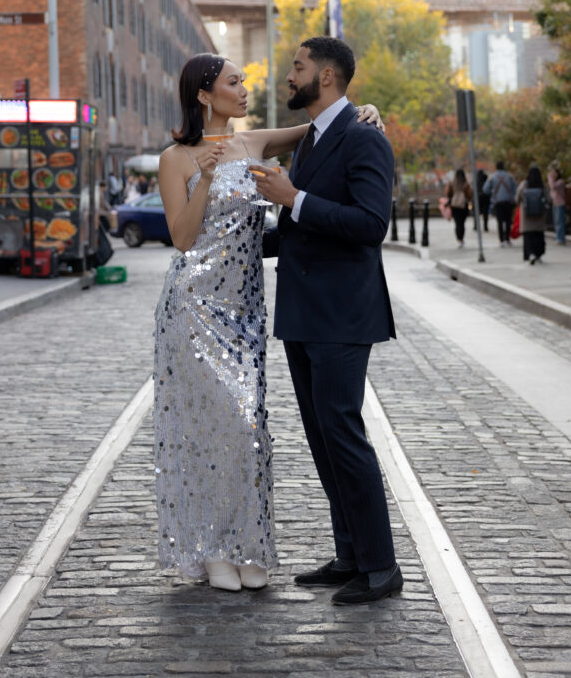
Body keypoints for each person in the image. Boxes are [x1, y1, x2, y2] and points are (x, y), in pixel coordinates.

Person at [154, 52, 383, 592]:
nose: (246, 88)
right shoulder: (176, 157)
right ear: (205, 95)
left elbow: (321, 125)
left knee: (249, 431)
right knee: (210, 429)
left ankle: (247, 544)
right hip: (194, 310)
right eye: (235, 81)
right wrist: (206, 180)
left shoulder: (253, 143)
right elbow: (183, 239)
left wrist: (366, 109)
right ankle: (211, 546)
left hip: (246, 314)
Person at [252, 37, 401, 606]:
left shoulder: (364, 139)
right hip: (303, 312)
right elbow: (298, 228)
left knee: (343, 432)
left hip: (342, 314)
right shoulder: (310, 140)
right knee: (322, 438)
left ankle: (382, 567)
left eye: (298, 67)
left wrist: (293, 199)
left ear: (329, 76)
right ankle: (351, 555)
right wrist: (236, 243)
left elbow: (369, 224)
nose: (289, 76)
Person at [517, 164, 549, 264]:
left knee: (528, 237)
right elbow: (548, 198)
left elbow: (517, 198)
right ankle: (538, 254)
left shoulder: (524, 184)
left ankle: (530, 254)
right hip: (539, 216)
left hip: (527, 216)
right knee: (539, 235)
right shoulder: (542, 185)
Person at [483, 160, 518, 247]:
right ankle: (507, 239)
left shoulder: (492, 177)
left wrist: (493, 193)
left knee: (500, 221)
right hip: (508, 201)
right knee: (508, 220)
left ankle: (501, 239)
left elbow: (485, 189)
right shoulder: (509, 176)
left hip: (498, 202)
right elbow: (515, 188)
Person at [445, 168, 472, 248]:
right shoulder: (465, 184)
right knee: (462, 223)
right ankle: (461, 238)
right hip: (463, 205)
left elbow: (448, 193)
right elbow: (469, 195)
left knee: (457, 223)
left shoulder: (452, 183)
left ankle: (458, 239)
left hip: (454, 205)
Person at [548, 162, 567, 245]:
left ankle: (561, 238)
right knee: (556, 221)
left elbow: (553, 186)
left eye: (554, 173)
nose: (553, 175)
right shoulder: (555, 182)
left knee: (560, 221)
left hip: (560, 203)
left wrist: (550, 177)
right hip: (555, 203)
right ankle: (558, 237)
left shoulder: (560, 181)